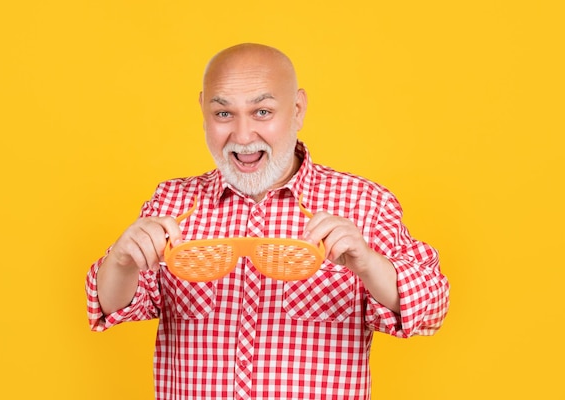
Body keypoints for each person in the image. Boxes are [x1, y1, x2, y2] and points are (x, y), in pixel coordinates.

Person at [86, 43, 450, 400]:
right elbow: (112, 306)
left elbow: (432, 307)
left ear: (297, 109)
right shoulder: (173, 202)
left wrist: (369, 264)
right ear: (203, 112)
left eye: (262, 112)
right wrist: (121, 259)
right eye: (224, 114)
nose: (243, 137)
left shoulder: (363, 203)